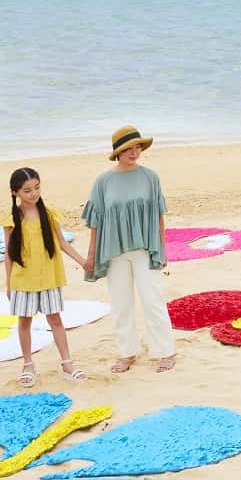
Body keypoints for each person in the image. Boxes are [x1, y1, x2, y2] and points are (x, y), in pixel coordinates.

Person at [81, 125, 176, 373]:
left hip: (145, 248)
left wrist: (161, 246)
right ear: (118, 152)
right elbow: (96, 221)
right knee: (121, 304)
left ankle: (165, 351)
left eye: (137, 147)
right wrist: (91, 254)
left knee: (153, 300)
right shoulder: (103, 181)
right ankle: (127, 353)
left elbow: (158, 214)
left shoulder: (150, 177)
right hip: (114, 251)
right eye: (128, 149)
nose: (134, 152)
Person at [4, 167, 92, 386]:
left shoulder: (49, 213)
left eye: (37, 188)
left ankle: (67, 364)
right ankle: (28, 364)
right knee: (24, 322)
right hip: (23, 279)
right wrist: (8, 283)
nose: (34, 193)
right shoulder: (11, 219)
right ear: (15, 192)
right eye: (27, 190)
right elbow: (9, 253)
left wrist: (82, 261)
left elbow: (62, 243)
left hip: (49, 276)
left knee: (55, 319)